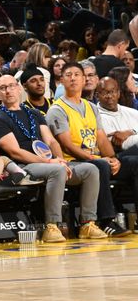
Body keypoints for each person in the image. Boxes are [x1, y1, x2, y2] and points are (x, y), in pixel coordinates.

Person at [0, 73, 99, 243]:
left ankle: (87, 223)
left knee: (90, 169)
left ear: (19, 89)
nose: (8, 91)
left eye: (11, 86)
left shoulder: (34, 113)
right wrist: (51, 162)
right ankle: (52, 226)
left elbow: (50, 140)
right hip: (22, 167)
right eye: (2, 88)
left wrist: (61, 159)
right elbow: (15, 152)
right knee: (56, 170)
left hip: (48, 162)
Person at [46, 62, 134, 238]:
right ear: (61, 80)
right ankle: (106, 221)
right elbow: (67, 145)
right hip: (74, 163)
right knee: (99, 165)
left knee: (134, 162)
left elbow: (101, 138)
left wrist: (113, 158)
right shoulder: (57, 109)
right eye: (68, 75)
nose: (73, 78)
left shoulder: (91, 107)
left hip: (97, 159)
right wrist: (99, 159)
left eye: (77, 74)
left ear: (84, 79)